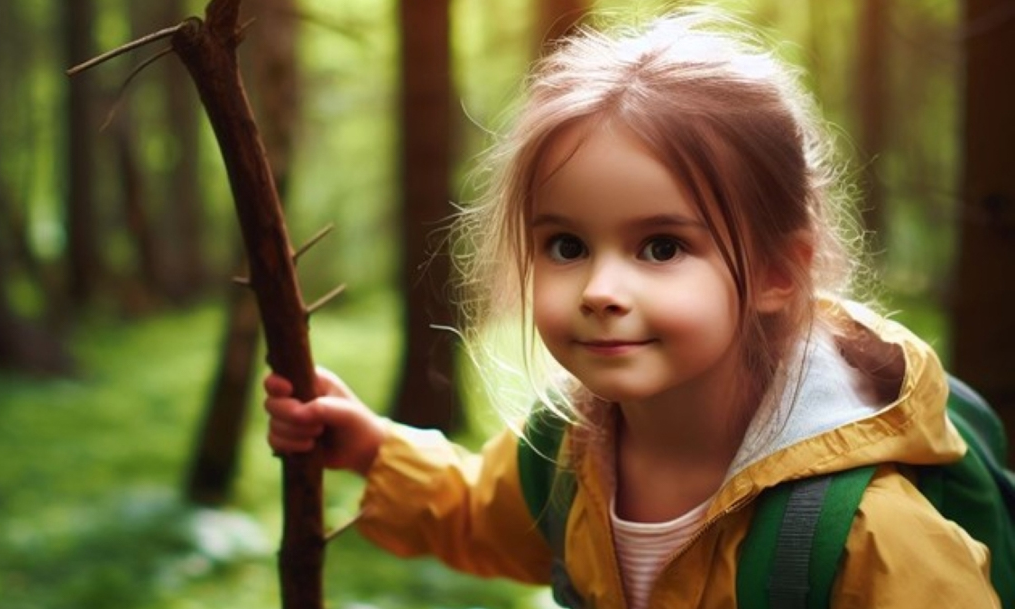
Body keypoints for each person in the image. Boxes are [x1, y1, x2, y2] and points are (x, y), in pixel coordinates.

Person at [263, 8, 999, 609]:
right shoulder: (568, 452)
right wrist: (371, 448)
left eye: (659, 248)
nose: (598, 289)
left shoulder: (863, 534)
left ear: (778, 270)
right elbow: (479, 514)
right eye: (565, 245)